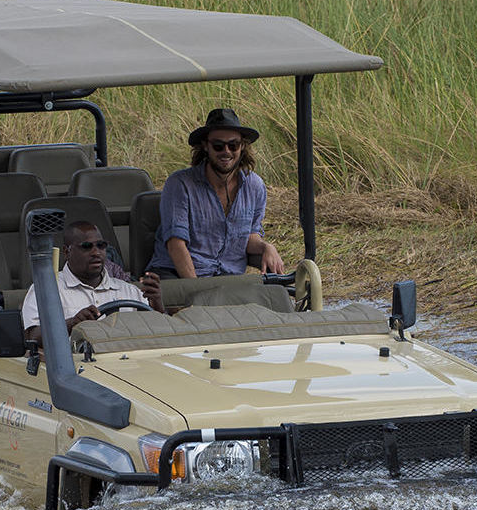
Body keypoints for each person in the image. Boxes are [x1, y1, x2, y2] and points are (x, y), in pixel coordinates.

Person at [147, 108, 285, 279]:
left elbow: (249, 236)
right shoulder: (180, 184)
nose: (226, 151)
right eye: (218, 146)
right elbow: (176, 245)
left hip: (226, 278)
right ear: (205, 146)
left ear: (242, 146)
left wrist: (267, 248)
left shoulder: (254, 185)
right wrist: (198, 292)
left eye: (233, 145)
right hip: (177, 275)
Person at [22, 220, 163, 342]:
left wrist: (157, 305)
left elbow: (159, 335)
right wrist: (72, 324)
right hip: (74, 369)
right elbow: (31, 337)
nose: (96, 252)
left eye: (101, 245)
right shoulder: (46, 289)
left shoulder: (129, 291)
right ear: (66, 252)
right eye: (86, 246)